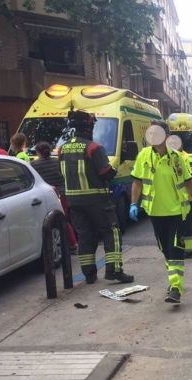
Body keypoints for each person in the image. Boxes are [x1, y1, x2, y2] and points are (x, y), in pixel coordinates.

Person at [59, 110, 134, 284]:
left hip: (74, 201)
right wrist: (112, 171)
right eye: (92, 125)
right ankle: (114, 270)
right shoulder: (93, 147)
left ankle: (89, 274)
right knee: (112, 232)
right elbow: (106, 173)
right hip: (97, 200)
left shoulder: (62, 149)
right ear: (88, 127)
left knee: (85, 236)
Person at [129, 121, 192, 304]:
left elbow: (188, 183)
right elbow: (137, 182)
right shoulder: (143, 156)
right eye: (151, 133)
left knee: (175, 249)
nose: (153, 136)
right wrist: (133, 204)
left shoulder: (177, 158)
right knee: (165, 249)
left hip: (176, 212)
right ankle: (173, 282)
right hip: (155, 213)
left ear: (166, 136)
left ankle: (176, 287)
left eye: (157, 132)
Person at [32, 141, 78, 252]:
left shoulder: (34, 165)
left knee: (56, 220)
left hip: (49, 195)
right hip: (64, 193)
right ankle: (72, 243)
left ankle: (72, 243)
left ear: (38, 152)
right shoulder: (58, 162)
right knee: (64, 218)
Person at [179, 149, 192, 258]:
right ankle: (180, 249)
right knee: (178, 227)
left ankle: (190, 251)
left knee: (188, 227)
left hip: (188, 200)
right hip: (174, 202)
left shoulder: (189, 159)